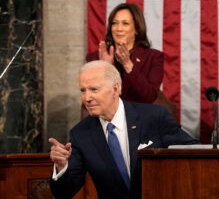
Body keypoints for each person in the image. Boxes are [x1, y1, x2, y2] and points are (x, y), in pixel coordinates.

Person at [49, 60, 198, 199]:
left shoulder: (154, 117)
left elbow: (193, 153)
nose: (87, 98)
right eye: (83, 90)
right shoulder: (81, 134)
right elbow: (64, 193)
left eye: (94, 89)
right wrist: (61, 167)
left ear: (115, 89)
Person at [86, 3, 163, 103]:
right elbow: (90, 96)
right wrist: (106, 69)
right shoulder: (95, 57)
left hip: (137, 116)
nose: (119, 29)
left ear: (137, 29)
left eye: (125, 23)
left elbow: (149, 96)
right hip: (105, 117)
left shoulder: (153, 57)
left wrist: (128, 64)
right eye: (114, 23)